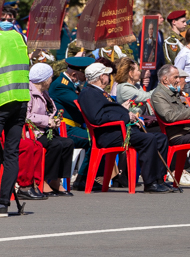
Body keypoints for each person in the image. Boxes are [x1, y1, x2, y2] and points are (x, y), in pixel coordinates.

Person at [78, 63, 174, 193]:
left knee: (160, 138)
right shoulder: (89, 93)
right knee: (149, 139)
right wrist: (125, 117)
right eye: (107, 74)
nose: (109, 77)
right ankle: (150, 183)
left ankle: (158, 179)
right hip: (109, 135)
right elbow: (97, 118)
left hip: (117, 130)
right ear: (101, 77)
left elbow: (107, 112)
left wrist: (124, 112)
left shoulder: (98, 92)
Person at [26, 63, 75, 196]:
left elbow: (49, 111)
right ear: (44, 79)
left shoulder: (44, 93)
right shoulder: (29, 93)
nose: (51, 80)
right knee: (55, 145)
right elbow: (27, 116)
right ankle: (43, 180)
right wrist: (47, 120)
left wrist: (54, 119)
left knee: (68, 143)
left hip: (46, 130)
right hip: (34, 132)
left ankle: (56, 181)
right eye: (50, 77)